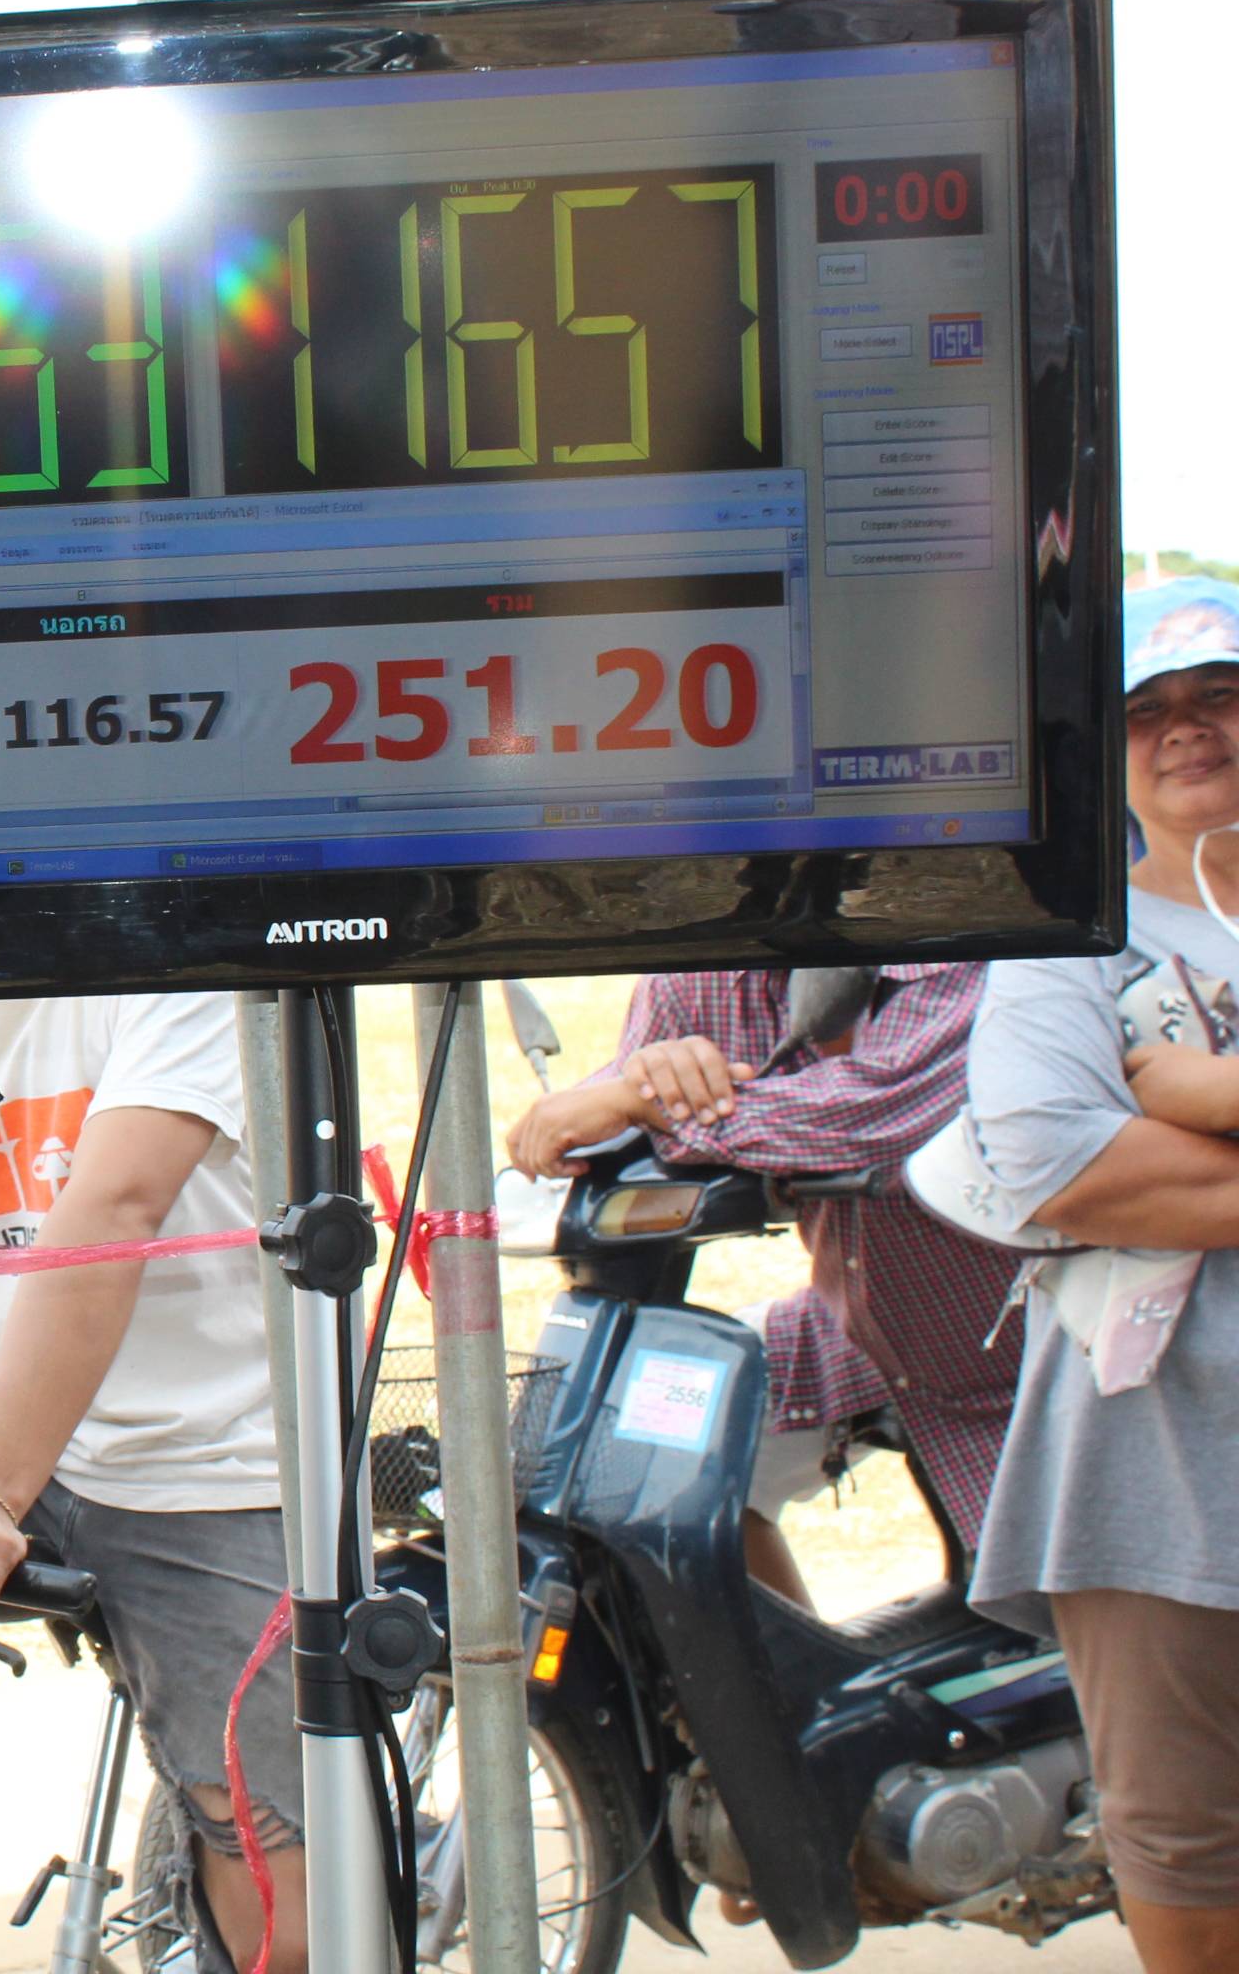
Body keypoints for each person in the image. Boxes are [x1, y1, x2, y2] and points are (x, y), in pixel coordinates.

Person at [0, 993, 307, 1974]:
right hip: (3, 1421)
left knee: (289, 1928)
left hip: (204, 1462)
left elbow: (117, 1205)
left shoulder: (171, 966)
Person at [957, 576, 1239, 1973]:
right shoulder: (1066, 936)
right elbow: (1053, 1162)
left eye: (1222, 695)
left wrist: (1189, 1094)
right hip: (1151, 1468)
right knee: (1185, 1844)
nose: (1187, 729)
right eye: (1148, 709)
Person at [505, 963, 1011, 1599]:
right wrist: (624, 1096)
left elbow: (872, 1114)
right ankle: (765, 1665)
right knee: (627, 1450)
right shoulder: (705, 974)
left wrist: (649, 1104)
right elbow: (600, 1119)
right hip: (853, 1322)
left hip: (1022, 1342)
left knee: (1063, 1615)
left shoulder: (962, 956)